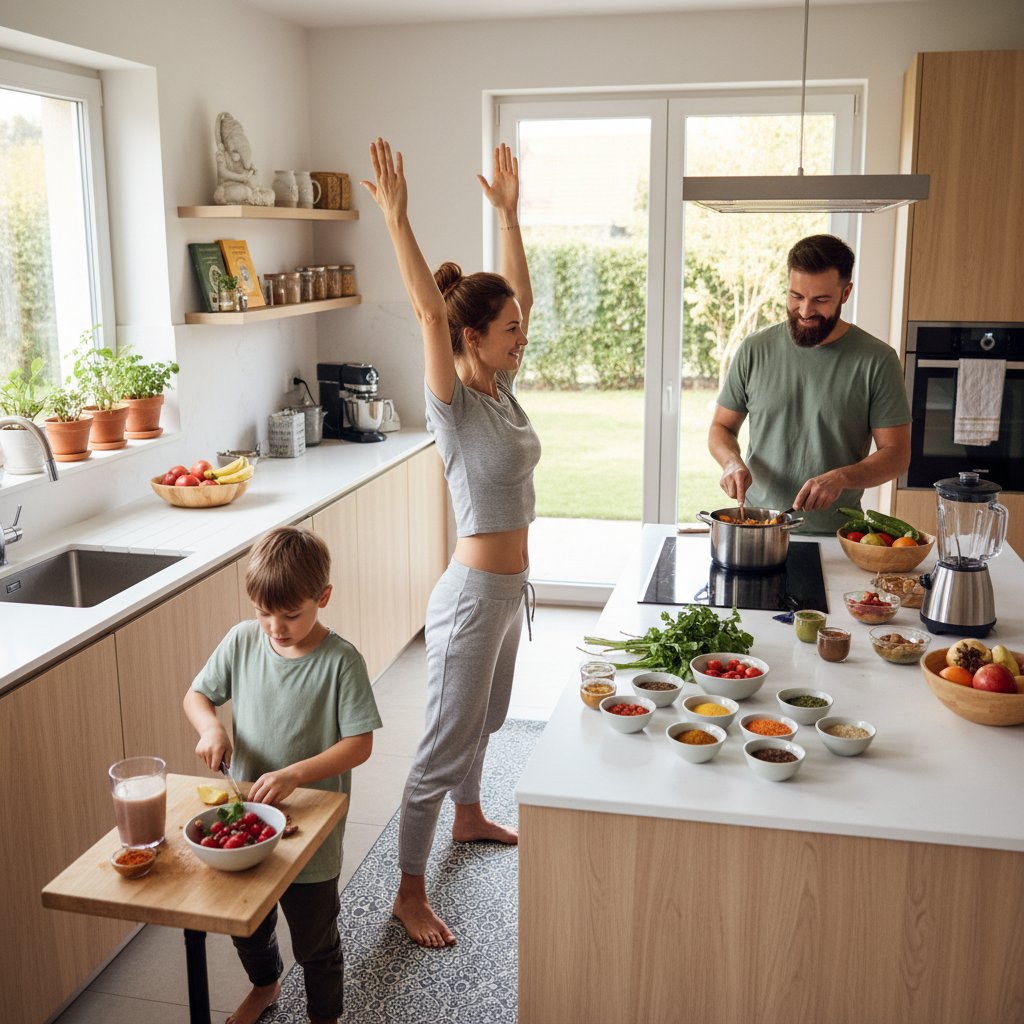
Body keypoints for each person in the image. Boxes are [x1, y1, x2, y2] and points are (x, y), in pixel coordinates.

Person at [361, 138, 540, 948]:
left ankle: (470, 818)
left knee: (488, 719)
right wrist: (398, 221)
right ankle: (407, 891)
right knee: (439, 747)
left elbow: (518, 296)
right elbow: (431, 310)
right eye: (507, 330)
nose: (520, 336)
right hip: (470, 600)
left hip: (508, 597)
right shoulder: (454, 405)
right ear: (471, 337)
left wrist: (508, 215)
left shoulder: (500, 388)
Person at [183, 526, 382, 1024]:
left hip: (311, 831)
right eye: (262, 612)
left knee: (316, 940)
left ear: (323, 598)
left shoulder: (342, 661)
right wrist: (210, 728)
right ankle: (266, 984)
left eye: (290, 614)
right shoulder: (242, 641)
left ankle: (325, 1016)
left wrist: (296, 774)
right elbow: (197, 696)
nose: (275, 626)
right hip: (248, 816)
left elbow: (360, 744)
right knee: (246, 924)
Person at [708, 233, 911, 534]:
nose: (804, 311)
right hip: (755, 528)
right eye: (796, 296)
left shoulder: (877, 360)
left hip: (837, 537)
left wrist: (842, 477)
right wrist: (731, 462)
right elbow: (721, 428)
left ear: (845, 293)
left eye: (820, 300)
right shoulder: (754, 349)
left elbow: (896, 454)